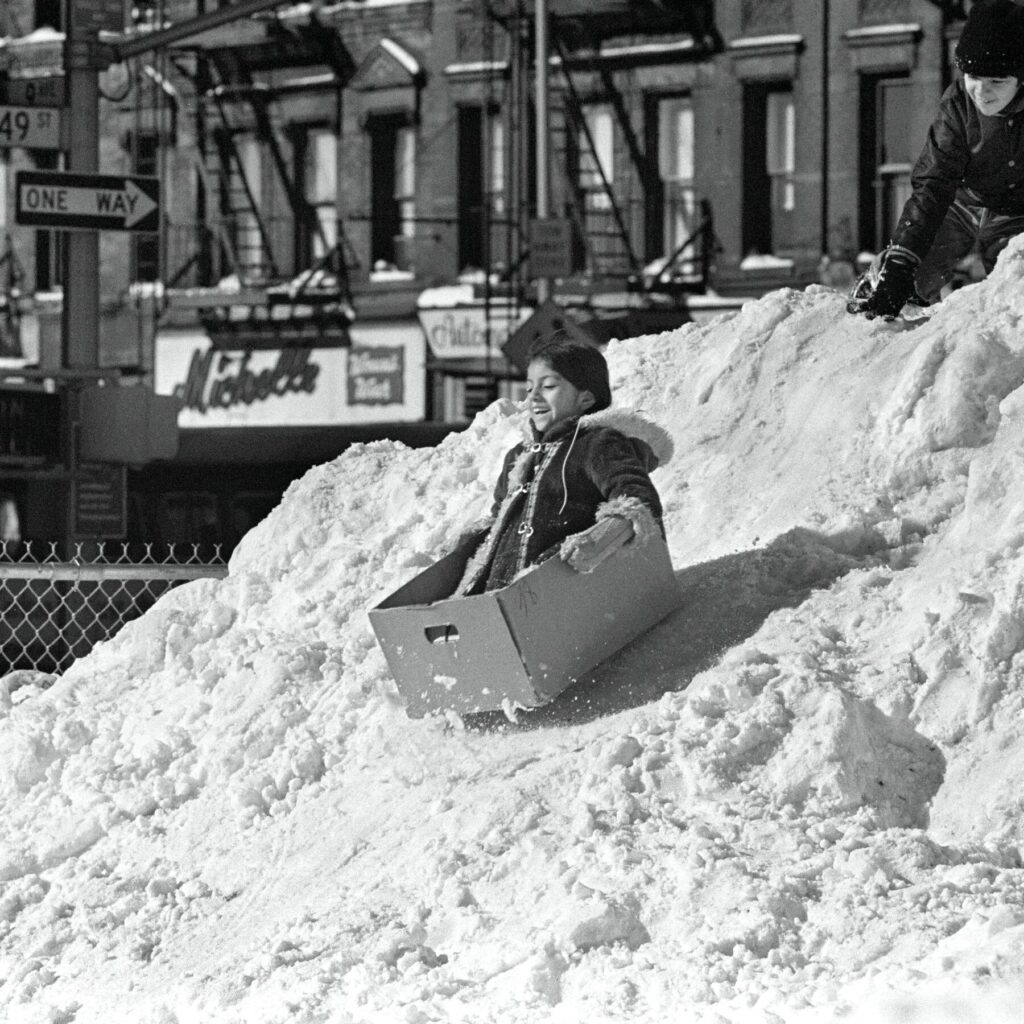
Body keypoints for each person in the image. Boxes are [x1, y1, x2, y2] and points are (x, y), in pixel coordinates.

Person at [848, 0, 1024, 320]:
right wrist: (902, 260)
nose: (982, 91)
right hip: (960, 204)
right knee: (900, 276)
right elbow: (933, 182)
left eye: (997, 82)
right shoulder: (958, 104)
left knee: (1013, 290)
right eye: (973, 76)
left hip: (1017, 215)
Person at [456, 337, 668, 596]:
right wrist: (474, 540)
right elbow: (500, 517)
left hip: (567, 592)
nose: (533, 397)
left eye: (548, 386)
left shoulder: (597, 444)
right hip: (501, 598)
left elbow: (637, 499)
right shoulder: (519, 457)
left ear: (586, 398)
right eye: (529, 388)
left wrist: (599, 539)